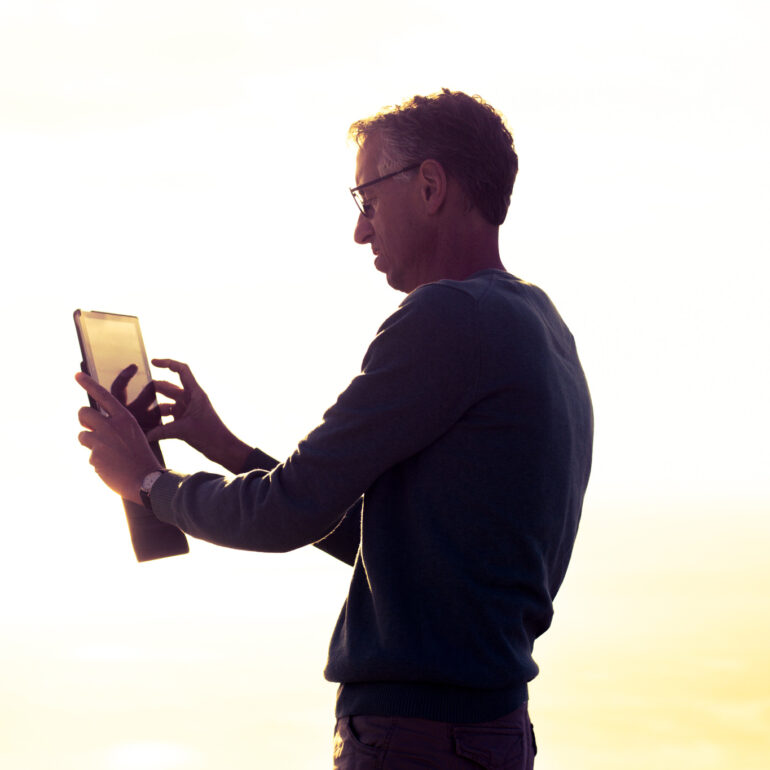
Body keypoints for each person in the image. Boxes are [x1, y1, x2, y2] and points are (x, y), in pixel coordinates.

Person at [77, 88, 593, 769]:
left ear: (431, 186)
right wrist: (229, 449)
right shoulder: (537, 322)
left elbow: (283, 515)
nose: (360, 230)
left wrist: (145, 482)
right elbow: (403, 551)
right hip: (488, 735)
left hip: (416, 743)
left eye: (368, 201)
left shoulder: (448, 318)